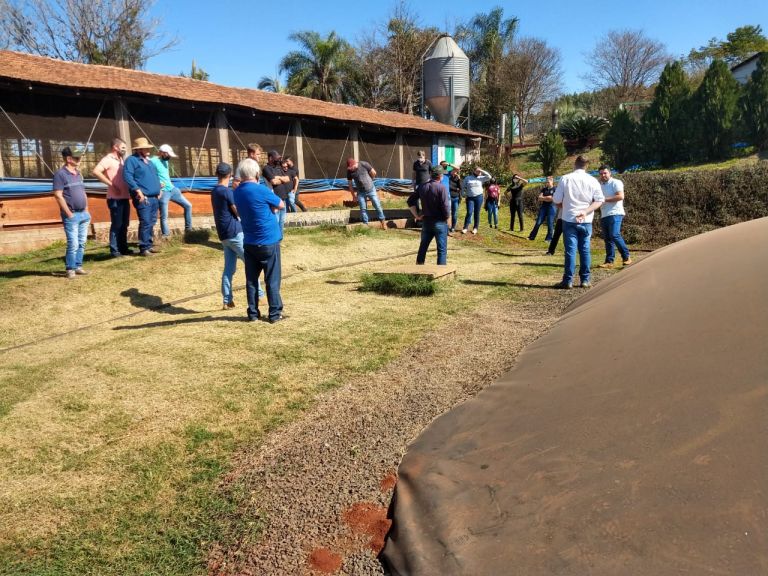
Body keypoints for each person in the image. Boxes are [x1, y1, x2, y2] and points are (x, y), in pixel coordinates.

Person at [233, 158, 285, 323]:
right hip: (268, 240)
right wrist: (271, 209)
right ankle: (275, 313)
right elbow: (281, 204)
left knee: (251, 280)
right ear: (257, 173)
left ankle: (253, 313)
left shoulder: (237, 192)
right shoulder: (261, 190)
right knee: (272, 279)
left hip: (249, 241)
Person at [552, 155, 605, 289]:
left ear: (575, 164)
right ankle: (585, 280)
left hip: (569, 218)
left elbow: (556, 199)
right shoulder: (593, 180)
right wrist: (586, 211)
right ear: (587, 166)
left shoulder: (565, 178)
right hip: (586, 220)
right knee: (585, 250)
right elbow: (599, 200)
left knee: (570, 251)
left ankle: (568, 280)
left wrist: (563, 206)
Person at [52, 146, 91, 278]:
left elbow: (83, 192)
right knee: (73, 243)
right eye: (77, 157)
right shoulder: (60, 174)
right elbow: (58, 195)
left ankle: (78, 266)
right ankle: (70, 269)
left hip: (83, 214)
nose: (80, 159)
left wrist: (86, 209)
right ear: (69, 159)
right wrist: (69, 213)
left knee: (82, 242)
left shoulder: (78, 173)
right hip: (72, 215)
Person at [93, 137, 132, 257]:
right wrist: (111, 184)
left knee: (125, 224)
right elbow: (96, 171)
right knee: (117, 224)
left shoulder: (121, 160)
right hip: (115, 198)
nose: (124, 150)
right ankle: (114, 250)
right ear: (115, 147)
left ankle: (123, 248)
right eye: (123, 147)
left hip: (125, 197)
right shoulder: (108, 159)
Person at [123, 137, 162, 257]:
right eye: (146, 148)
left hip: (154, 197)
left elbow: (155, 176)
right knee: (145, 221)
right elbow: (128, 176)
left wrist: (159, 188)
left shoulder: (149, 162)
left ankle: (149, 245)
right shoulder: (132, 160)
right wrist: (137, 190)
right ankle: (144, 247)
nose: (148, 150)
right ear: (139, 149)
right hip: (143, 197)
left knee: (152, 221)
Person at [407, 166, 450, 265]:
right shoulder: (442, 188)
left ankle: (418, 268)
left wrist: (416, 216)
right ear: (440, 176)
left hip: (426, 221)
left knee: (423, 247)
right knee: (441, 250)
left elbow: (410, 201)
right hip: (440, 221)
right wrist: (448, 218)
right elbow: (445, 206)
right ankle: (440, 271)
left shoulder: (422, 186)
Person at [151, 144, 193, 238]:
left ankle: (189, 231)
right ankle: (166, 236)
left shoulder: (165, 161)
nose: (169, 157)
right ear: (162, 152)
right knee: (164, 215)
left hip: (173, 189)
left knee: (188, 205)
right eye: (168, 154)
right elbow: (149, 175)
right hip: (163, 192)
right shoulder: (153, 161)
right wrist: (157, 184)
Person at [597, 165, 632, 268]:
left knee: (614, 235)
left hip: (615, 213)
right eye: (601, 173)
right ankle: (609, 261)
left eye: (605, 173)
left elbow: (620, 196)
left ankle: (626, 257)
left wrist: (604, 199)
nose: (603, 175)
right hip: (604, 214)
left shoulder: (616, 182)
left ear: (610, 173)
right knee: (608, 239)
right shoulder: (599, 185)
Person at [347, 157, 386, 229]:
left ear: (354, 164)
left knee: (377, 205)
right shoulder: (349, 171)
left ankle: (383, 222)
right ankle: (366, 226)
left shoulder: (364, 164)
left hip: (371, 189)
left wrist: (371, 179)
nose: (351, 169)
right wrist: (353, 196)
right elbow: (350, 184)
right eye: (349, 168)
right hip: (360, 192)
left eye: (351, 167)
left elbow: (374, 172)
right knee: (363, 209)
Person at [263, 150, 292, 236]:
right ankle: (275, 238)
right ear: (270, 158)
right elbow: (273, 182)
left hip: (283, 198)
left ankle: (280, 238)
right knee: (276, 221)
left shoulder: (278, 167)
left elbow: (288, 179)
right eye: (276, 158)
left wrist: (278, 177)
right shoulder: (266, 169)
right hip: (274, 199)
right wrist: (282, 179)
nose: (278, 160)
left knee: (281, 221)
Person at [461, 165, 491, 235]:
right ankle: (465, 227)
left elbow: (489, 177)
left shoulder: (481, 178)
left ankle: (475, 228)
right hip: (470, 198)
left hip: (479, 197)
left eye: (480, 171)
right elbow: (463, 186)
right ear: (474, 171)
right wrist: (463, 194)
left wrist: (481, 170)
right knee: (469, 212)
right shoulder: (468, 178)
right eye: (477, 171)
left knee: (477, 213)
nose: (479, 172)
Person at [528, 175, 557, 241]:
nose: (547, 183)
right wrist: (547, 198)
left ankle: (549, 239)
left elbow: (552, 199)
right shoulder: (544, 189)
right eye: (546, 182)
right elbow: (539, 198)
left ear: (552, 181)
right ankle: (531, 237)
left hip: (552, 207)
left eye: (548, 181)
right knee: (538, 222)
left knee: (550, 223)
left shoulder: (555, 189)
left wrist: (544, 198)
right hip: (544, 207)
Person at [441, 161, 461, 232]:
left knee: (454, 213)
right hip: (442, 196)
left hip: (451, 196)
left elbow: (458, 168)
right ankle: (445, 227)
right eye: (443, 165)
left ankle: (453, 227)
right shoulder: (438, 173)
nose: (444, 166)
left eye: (445, 165)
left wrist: (449, 164)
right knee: (445, 212)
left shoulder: (448, 173)